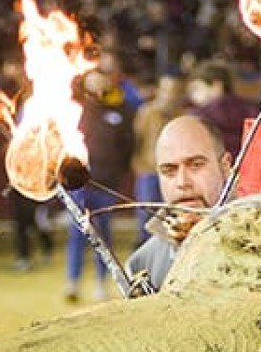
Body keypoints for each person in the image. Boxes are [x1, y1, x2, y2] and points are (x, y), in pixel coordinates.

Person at [126, 115, 230, 291]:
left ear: (226, 166)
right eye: (169, 171)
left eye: (196, 165)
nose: (182, 182)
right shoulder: (142, 265)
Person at [64, 66, 136, 303]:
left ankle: (101, 283)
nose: (96, 86)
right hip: (79, 184)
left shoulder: (120, 110)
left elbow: (127, 145)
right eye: (92, 82)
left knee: (103, 235)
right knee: (77, 233)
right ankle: (72, 282)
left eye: (100, 81)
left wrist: (117, 172)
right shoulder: (76, 111)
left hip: (106, 181)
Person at [129, 74, 189, 245]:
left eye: (174, 91)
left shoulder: (182, 115)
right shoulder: (146, 112)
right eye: (167, 90)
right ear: (159, 90)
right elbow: (136, 139)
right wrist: (137, 164)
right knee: (145, 217)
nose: (170, 95)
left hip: (172, 173)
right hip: (148, 170)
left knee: (169, 216)